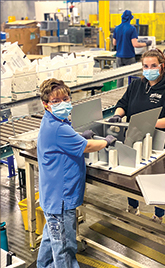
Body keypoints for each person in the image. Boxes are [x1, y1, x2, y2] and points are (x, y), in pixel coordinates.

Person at [37, 78, 116, 268]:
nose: (63, 103)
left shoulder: (53, 120)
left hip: (52, 197)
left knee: (52, 238)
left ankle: (44, 266)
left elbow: (68, 142)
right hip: (61, 200)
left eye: (66, 98)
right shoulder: (58, 127)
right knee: (64, 246)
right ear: (45, 104)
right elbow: (87, 147)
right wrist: (106, 141)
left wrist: (79, 136)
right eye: (56, 101)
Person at [108, 48, 165, 223]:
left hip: (158, 144)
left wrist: (147, 123)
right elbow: (123, 103)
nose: (149, 69)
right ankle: (132, 207)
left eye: (153, 65)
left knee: (158, 182)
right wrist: (118, 115)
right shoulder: (136, 85)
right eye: (145, 66)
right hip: (133, 139)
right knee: (131, 178)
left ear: (162, 66)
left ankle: (158, 215)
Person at [113, 10, 152, 88]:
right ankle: (133, 93)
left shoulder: (117, 28)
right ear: (130, 18)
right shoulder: (132, 28)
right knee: (132, 77)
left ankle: (119, 93)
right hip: (129, 57)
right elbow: (135, 44)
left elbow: (114, 43)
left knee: (119, 77)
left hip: (119, 57)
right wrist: (146, 43)